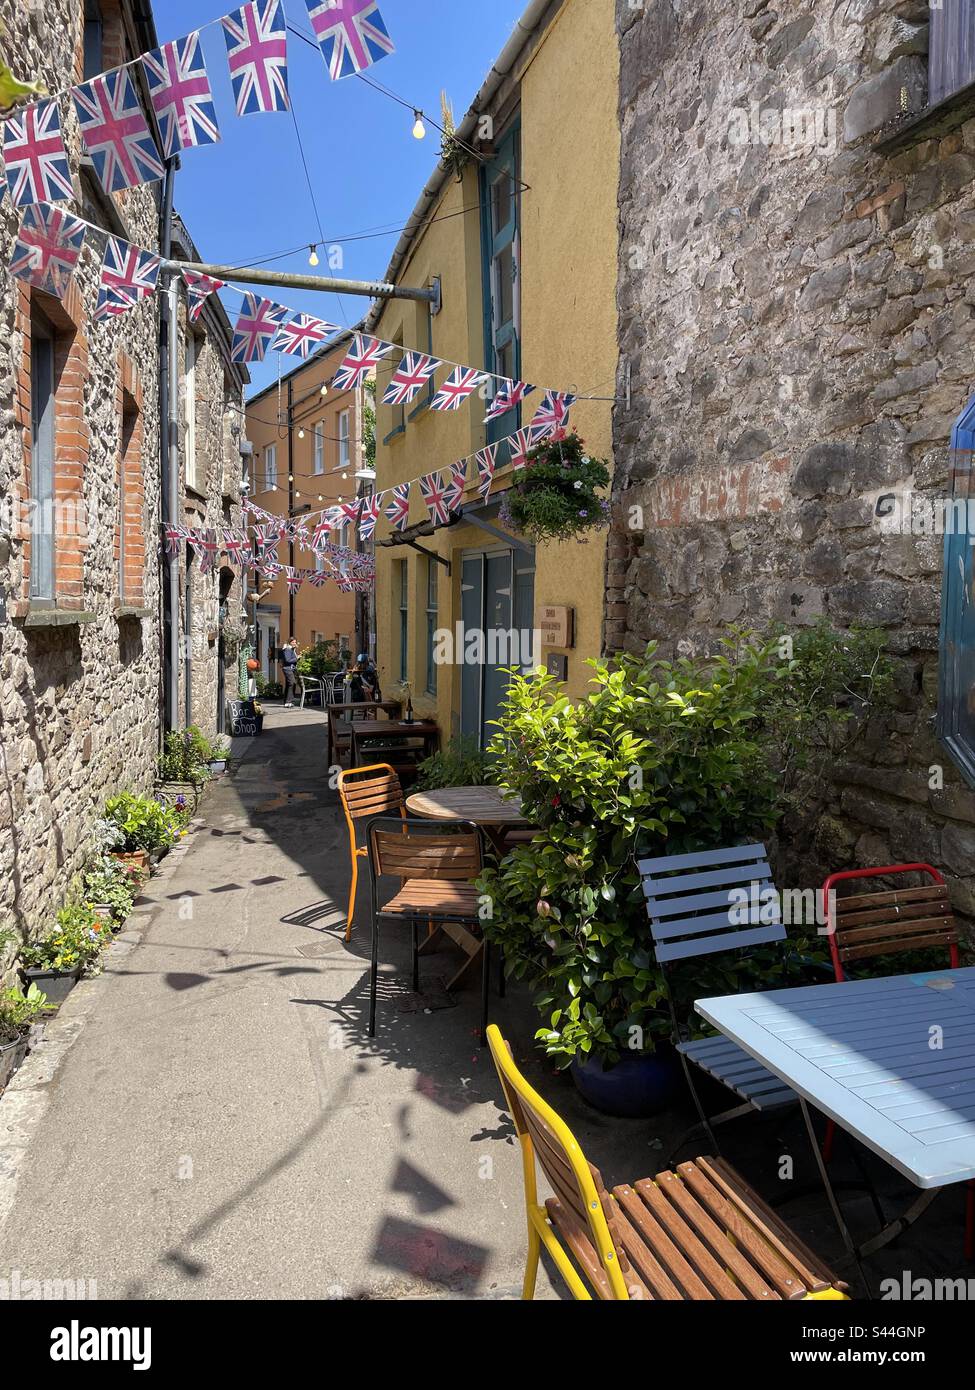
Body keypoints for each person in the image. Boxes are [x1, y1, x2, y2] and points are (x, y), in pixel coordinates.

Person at [280, 638, 301, 708]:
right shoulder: (288, 649)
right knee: (292, 683)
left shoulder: (291, 649)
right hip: (287, 668)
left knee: (289, 684)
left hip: (290, 668)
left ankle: (287, 701)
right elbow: (288, 660)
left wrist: (297, 656)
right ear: (289, 642)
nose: (294, 643)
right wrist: (297, 658)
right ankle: (289, 701)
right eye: (293, 642)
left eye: (295, 642)